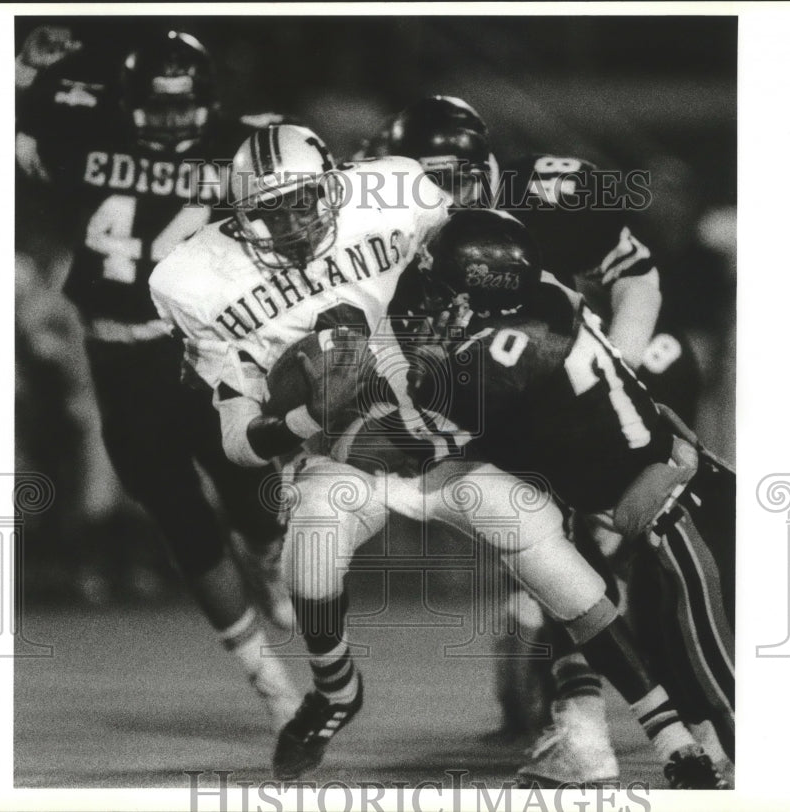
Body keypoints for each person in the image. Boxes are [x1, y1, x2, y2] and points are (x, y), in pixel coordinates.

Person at [150, 127, 728, 789]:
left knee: (557, 562)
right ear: (241, 217)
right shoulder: (197, 280)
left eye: (305, 200)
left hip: (451, 441)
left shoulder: (394, 193)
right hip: (347, 454)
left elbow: (492, 259)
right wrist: (313, 415)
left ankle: (671, 736)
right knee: (309, 549)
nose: (293, 222)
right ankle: (336, 689)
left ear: (335, 183)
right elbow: (236, 443)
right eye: (271, 211)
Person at [373, 96, 727, 783]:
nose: (439, 195)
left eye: (450, 177)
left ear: (483, 166)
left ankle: (696, 718)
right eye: (421, 181)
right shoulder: (389, 229)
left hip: (585, 378)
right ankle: (597, 725)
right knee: (543, 547)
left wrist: (621, 362)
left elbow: (636, 272)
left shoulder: (541, 191)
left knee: (651, 558)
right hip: (502, 396)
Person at [16, 27, 298, 729]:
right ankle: (268, 680)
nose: (171, 122)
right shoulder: (98, 135)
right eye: (157, 106)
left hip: (206, 352)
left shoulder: (244, 144)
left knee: (253, 497)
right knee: (183, 523)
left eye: (182, 106)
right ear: (128, 100)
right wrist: (29, 76)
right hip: (120, 360)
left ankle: (267, 557)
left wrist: (27, 76)